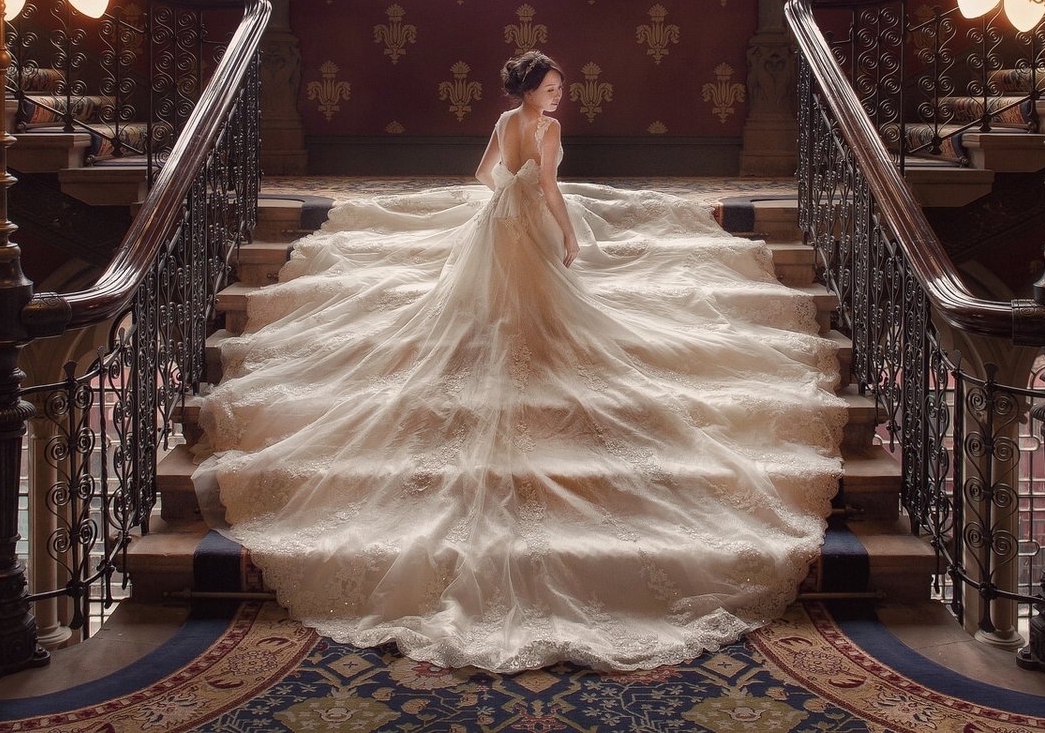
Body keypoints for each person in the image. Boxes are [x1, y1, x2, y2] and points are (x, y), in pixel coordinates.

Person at [200, 51, 845, 672]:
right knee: (540, 308)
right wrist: (565, 234)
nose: (560, 97)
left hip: (494, 223)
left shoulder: (507, 124)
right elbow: (549, 188)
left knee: (494, 308)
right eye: (553, 88)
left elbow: (483, 176)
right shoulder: (545, 130)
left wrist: (508, 191)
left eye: (559, 89)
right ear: (532, 90)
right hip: (527, 223)